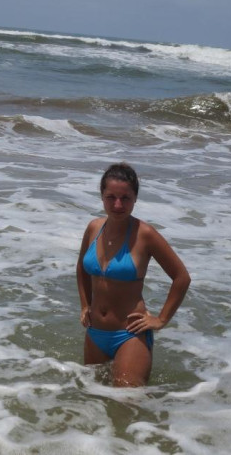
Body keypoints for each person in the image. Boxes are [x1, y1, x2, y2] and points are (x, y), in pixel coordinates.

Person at [76, 162, 191, 387]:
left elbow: (181, 277)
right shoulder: (93, 228)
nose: (118, 204)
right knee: (92, 399)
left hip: (129, 334)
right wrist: (84, 305)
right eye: (111, 197)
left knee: (127, 402)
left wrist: (161, 320)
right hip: (95, 333)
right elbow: (81, 267)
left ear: (135, 198)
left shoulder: (145, 234)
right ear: (102, 197)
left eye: (125, 198)